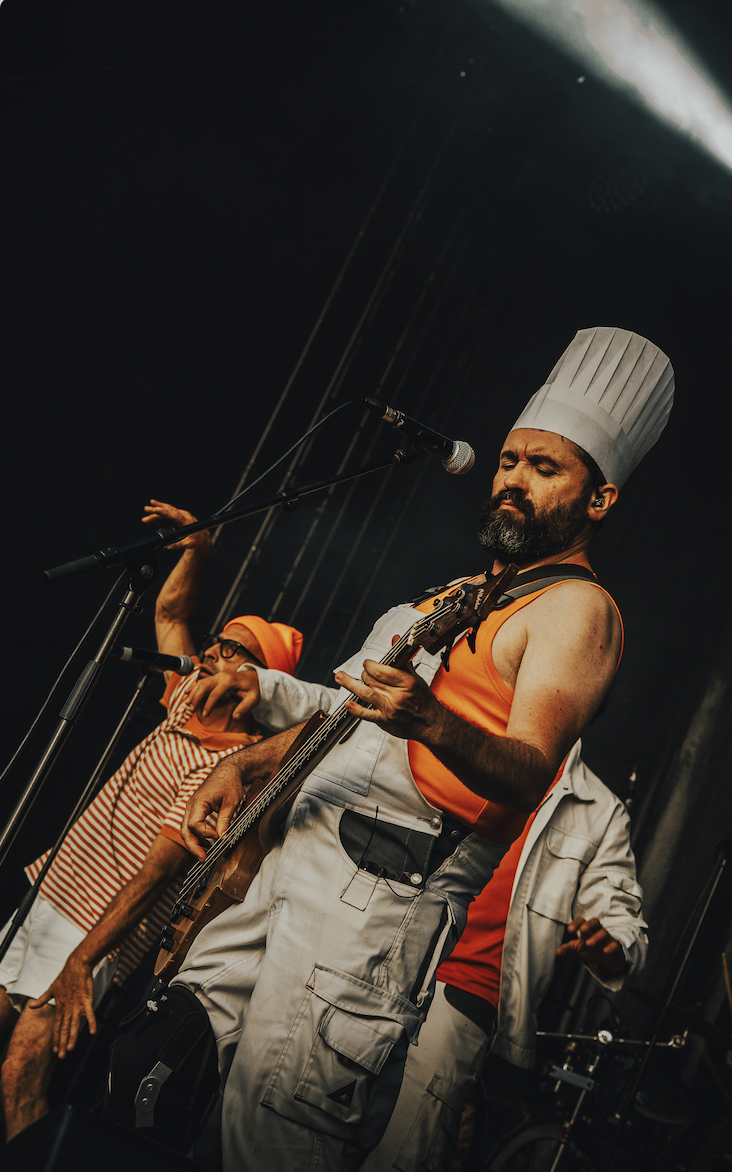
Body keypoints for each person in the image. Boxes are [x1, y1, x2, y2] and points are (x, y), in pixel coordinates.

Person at [174, 326, 674, 1172]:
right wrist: (250, 761)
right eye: (509, 461)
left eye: (544, 469)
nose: (513, 480)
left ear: (599, 500)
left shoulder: (577, 612)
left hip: (375, 902)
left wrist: (431, 721)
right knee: (181, 1089)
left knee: (280, 1136)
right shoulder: (468, 591)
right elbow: (351, 709)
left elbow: (531, 771)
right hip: (297, 864)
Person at [0, 500, 305, 1142]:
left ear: (257, 678)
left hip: (92, 931)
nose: (212, 652)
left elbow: (156, 875)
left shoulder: (229, 768)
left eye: (231, 649)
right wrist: (198, 551)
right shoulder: (183, 704)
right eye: (219, 641)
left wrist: (84, 959)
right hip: (51, 895)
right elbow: (169, 615)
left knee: (21, 1074)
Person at [360, 741, 648, 1171]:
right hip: (377, 957)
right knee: (308, 1131)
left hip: (462, 998)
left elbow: (623, 922)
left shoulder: (600, 811)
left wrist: (612, 945)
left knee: (398, 1154)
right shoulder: (460, 733)